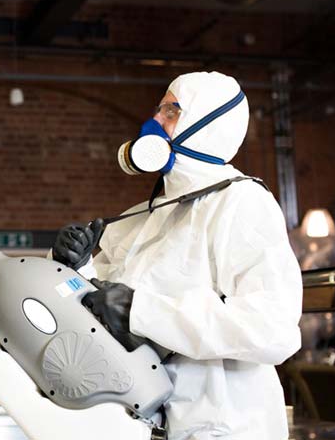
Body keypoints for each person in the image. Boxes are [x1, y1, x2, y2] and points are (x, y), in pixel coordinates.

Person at [52, 72, 302, 440]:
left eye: (171, 110)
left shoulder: (241, 203)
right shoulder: (147, 214)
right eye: (159, 109)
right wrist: (74, 267)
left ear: (207, 124)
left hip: (225, 427)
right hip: (152, 422)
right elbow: (102, 306)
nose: (154, 122)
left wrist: (140, 312)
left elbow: (272, 328)